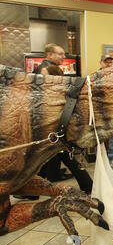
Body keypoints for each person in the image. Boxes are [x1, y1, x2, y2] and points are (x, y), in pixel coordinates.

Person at [37, 65, 93, 194]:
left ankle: (88, 185)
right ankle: (88, 185)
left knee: (66, 159)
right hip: (52, 133)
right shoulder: (51, 90)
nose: (41, 77)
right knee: (45, 161)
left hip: (57, 132)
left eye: (44, 74)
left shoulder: (59, 91)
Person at [35, 44, 72, 183]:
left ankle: (47, 177)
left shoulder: (46, 67)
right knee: (53, 149)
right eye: (60, 54)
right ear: (49, 55)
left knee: (52, 150)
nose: (64, 57)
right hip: (48, 115)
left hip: (47, 115)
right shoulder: (45, 69)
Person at [98, 55, 113, 170]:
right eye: (106, 62)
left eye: (111, 62)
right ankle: (100, 160)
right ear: (101, 63)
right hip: (99, 111)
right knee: (99, 136)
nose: (109, 64)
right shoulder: (94, 77)